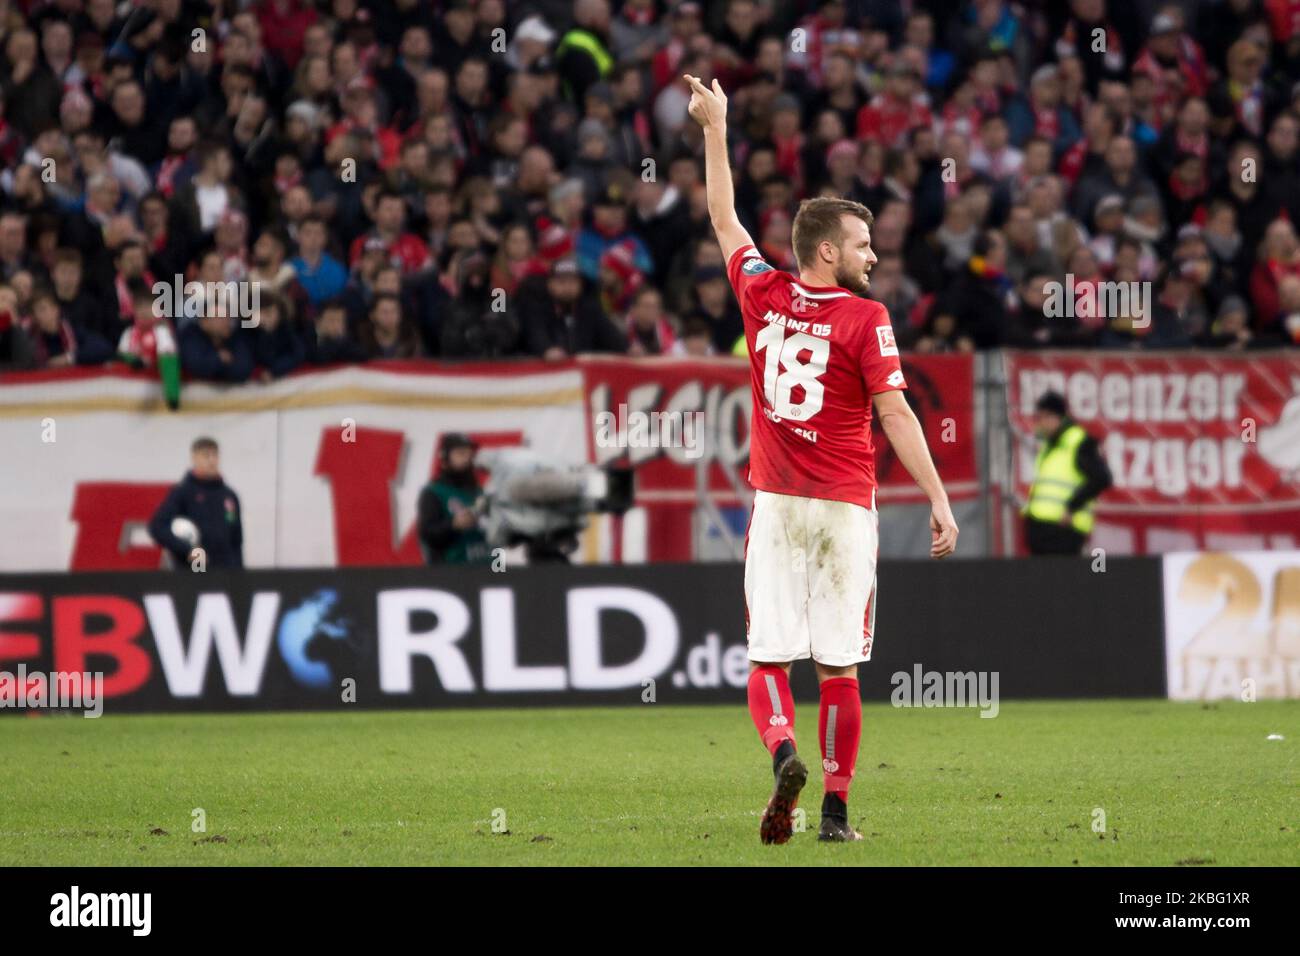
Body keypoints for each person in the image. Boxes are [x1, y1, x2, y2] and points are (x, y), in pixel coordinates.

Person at [685, 75, 959, 845]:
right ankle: (835, 815)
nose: (874, 255)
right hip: (844, 507)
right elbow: (896, 412)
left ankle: (782, 753)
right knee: (838, 668)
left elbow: (721, 215)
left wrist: (717, 128)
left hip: (775, 505)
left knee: (768, 657)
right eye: (864, 244)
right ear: (829, 250)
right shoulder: (867, 318)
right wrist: (938, 498)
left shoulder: (762, 293)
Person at [1022, 391, 1113, 556]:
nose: (1039, 424)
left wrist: (1072, 507)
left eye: (1041, 418)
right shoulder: (1052, 445)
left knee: (1061, 579)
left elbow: (1101, 478)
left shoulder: (1079, 442)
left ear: (1054, 417)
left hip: (1062, 531)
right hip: (1043, 531)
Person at [148, 436, 244, 570]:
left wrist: (238, 573)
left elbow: (236, 539)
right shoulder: (183, 492)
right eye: (206, 456)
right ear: (194, 458)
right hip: (195, 570)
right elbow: (157, 527)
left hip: (225, 571)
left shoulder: (229, 496)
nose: (211, 461)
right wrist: (187, 550)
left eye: (214, 455)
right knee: (198, 584)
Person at [416, 434, 492, 564]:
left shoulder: (481, 493)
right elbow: (427, 535)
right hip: (456, 573)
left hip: (493, 569)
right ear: (445, 460)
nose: (467, 459)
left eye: (470, 454)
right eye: (461, 454)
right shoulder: (434, 492)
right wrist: (453, 525)